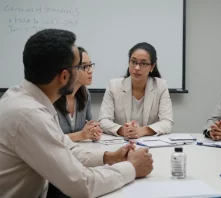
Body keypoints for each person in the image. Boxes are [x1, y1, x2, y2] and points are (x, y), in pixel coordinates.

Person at [0, 29, 153, 198]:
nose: (88, 71)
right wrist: (131, 167)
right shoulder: (30, 115)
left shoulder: (25, 98)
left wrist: (111, 157)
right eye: (79, 67)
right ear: (64, 76)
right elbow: (82, 185)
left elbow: (65, 147)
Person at [99, 42, 173, 138]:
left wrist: (141, 131)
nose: (137, 68)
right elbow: (103, 120)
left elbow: (167, 122)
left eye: (143, 63)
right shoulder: (114, 86)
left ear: (152, 67)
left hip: (149, 143)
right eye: (133, 62)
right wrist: (123, 130)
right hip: (121, 143)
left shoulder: (160, 86)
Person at [54, 47, 102, 142]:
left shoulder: (85, 94)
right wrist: (81, 135)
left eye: (90, 65)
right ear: (69, 70)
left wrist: (94, 131)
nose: (90, 70)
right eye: (85, 66)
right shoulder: (53, 97)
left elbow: (90, 123)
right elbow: (50, 139)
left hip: (78, 151)